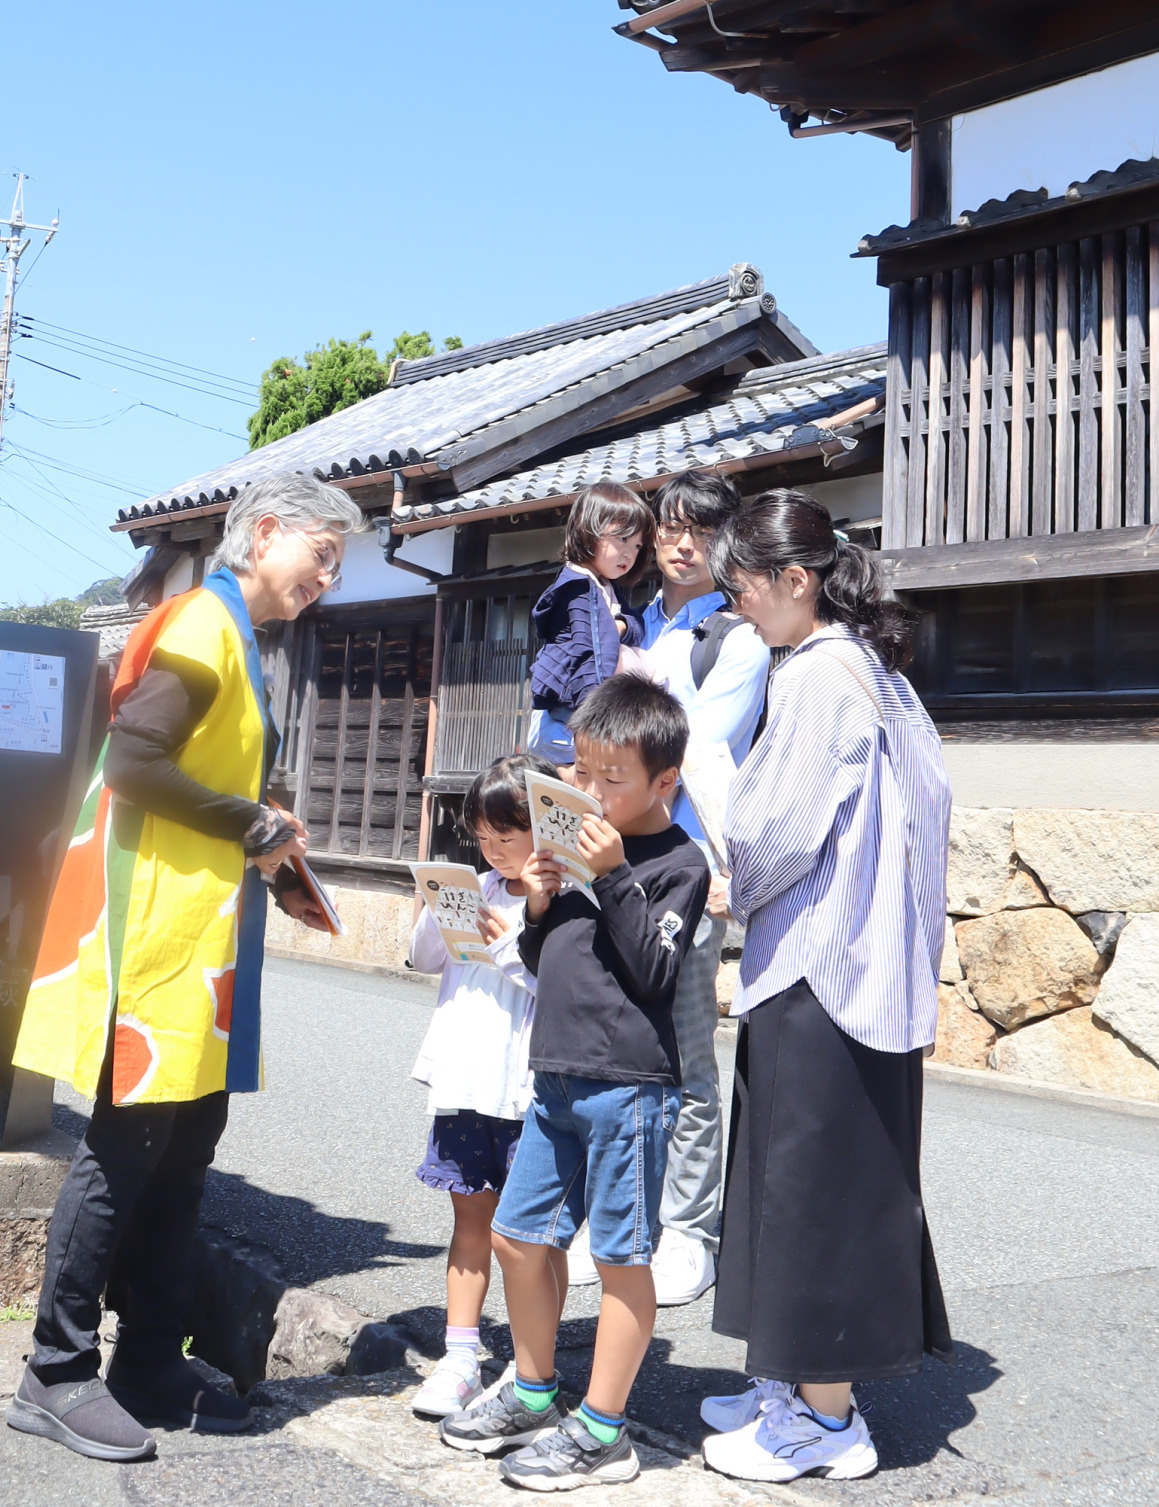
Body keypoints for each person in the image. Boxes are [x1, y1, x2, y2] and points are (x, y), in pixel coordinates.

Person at [5, 472, 361, 1463]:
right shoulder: (206, 627)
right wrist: (253, 820)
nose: (325, 576)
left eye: (336, 561)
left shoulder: (234, 636)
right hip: (157, 929)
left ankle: (150, 1359)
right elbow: (133, 761)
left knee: (187, 1140)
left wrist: (264, 840)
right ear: (267, 531)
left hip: (197, 931)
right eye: (320, 552)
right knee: (128, 1146)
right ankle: (55, 1368)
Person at [697, 489, 954, 1484]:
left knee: (815, 1188)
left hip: (819, 960)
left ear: (791, 581)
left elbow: (770, 828)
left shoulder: (815, 674)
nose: (736, 610)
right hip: (864, 955)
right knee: (805, 1178)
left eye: (740, 588)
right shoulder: (874, 671)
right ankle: (790, 1384)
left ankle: (825, 1418)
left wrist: (731, 872)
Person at [440, 675, 711, 1491]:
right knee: (518, 1238)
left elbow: (657, 969)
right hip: (554, 1077)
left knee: (626, 1259)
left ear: (666, 782)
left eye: (611, 779)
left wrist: (614, 874)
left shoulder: (676, 864)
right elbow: (543, 967)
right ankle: (532, 1391)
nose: (589, 793)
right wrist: (535, 906)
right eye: (581, 774)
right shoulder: (570, 855)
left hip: (630, 1086)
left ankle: (602, 1430)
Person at [584, 468, 769, 1309]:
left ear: (725, 543)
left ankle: (691, 1227)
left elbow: (685, 749)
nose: (680, 541)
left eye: (699, 530)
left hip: (684, 875)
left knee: (686, 1055)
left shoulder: (735, 641)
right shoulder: (625, 619)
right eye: (669, 526)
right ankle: (617, 1217)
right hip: (603, 861)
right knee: (609, 1051)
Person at [405, 754, 563, 1421]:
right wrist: (443, 905)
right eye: (484, 834)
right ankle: (462, 1353)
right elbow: (422, 957)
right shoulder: (477, 884)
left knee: (533, 1238)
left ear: (543, 830)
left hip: (524, 1087)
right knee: (470, 1220)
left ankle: (536, 1368)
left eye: (509, 833)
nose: (494, 848)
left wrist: (515, 931)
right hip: (465, 1081)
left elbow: (556, 985)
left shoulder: (560, 899)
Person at [525, 481, 656, 772]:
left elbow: (635, 625)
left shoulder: (604, 584)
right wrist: (595, 722)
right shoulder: (579, 588)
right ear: (589, 531)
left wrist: (619, 627)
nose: (629, 554)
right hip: (574, 714)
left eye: (637, 546)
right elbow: (591, 657)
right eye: (621, 539)